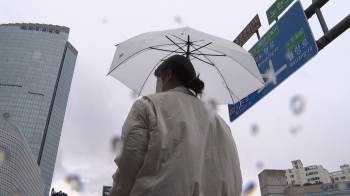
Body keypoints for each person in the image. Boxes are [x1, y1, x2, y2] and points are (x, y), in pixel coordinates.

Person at [110, 55, 242, 196]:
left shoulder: (148, 106)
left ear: (168, 74)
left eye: (158, 79)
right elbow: (234, 179)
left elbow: (128, 165)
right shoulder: (222, 125)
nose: (158, 84)